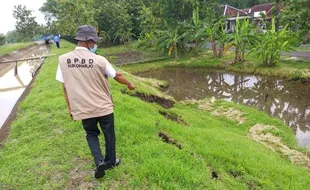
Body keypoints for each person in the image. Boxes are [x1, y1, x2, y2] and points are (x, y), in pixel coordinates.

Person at [55, 25, 136, 179]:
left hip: (83, 107)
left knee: (91, 133)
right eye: (94, 42)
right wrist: (129, 84)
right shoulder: (100, 60)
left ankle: (99, 161)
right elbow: (117, 76)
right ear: (89, 41)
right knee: (109, 134)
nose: (95, 44)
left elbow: (65, 87)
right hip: (104, 107)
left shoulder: (63, 60)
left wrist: (70, 108)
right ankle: (111, 161)